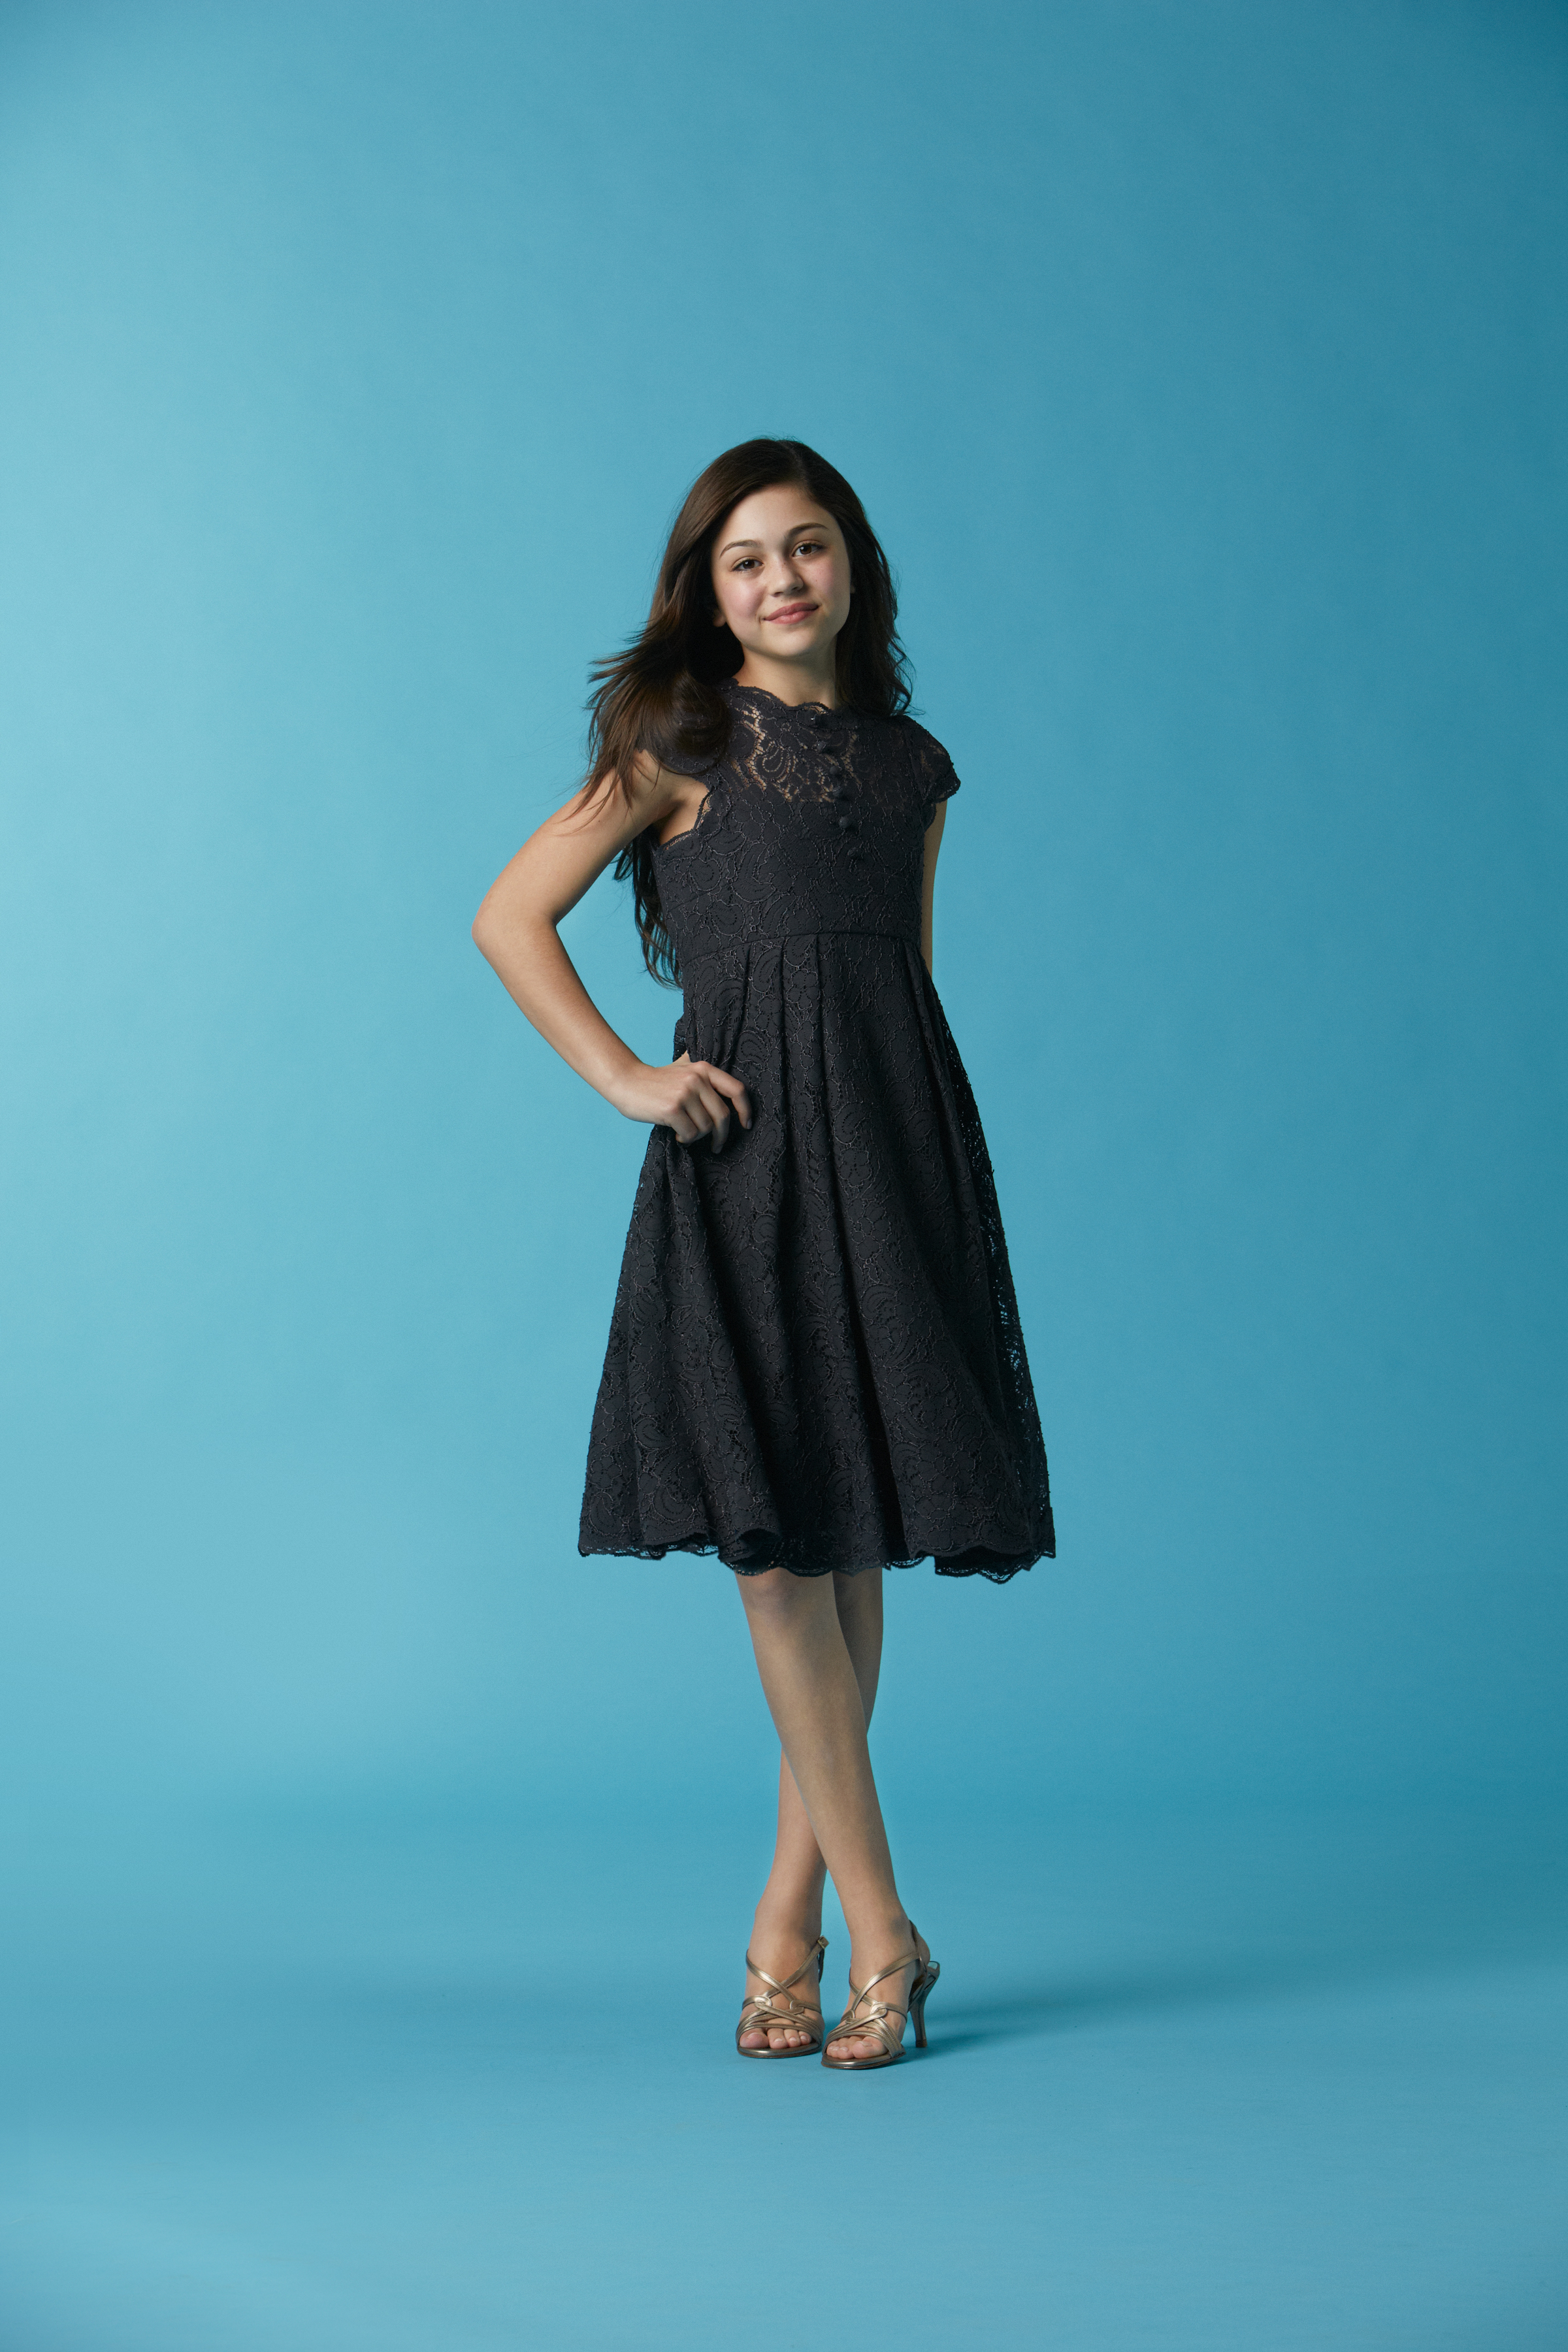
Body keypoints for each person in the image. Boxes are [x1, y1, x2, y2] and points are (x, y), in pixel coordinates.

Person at [472, 439, 1054, 2070]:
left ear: (851, 563)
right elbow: (511, 914)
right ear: (709, 594)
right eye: (746, 560)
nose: (782, 578)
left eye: (807, 547)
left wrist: (918, 1165)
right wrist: (627, 1076)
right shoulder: (681, 740)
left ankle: (783, 1928)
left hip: (896, 1155)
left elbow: (904, 981)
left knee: (850, 1537)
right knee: (778, 1556)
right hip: (742, 1172)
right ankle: (888, 1933)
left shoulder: (914, 766)